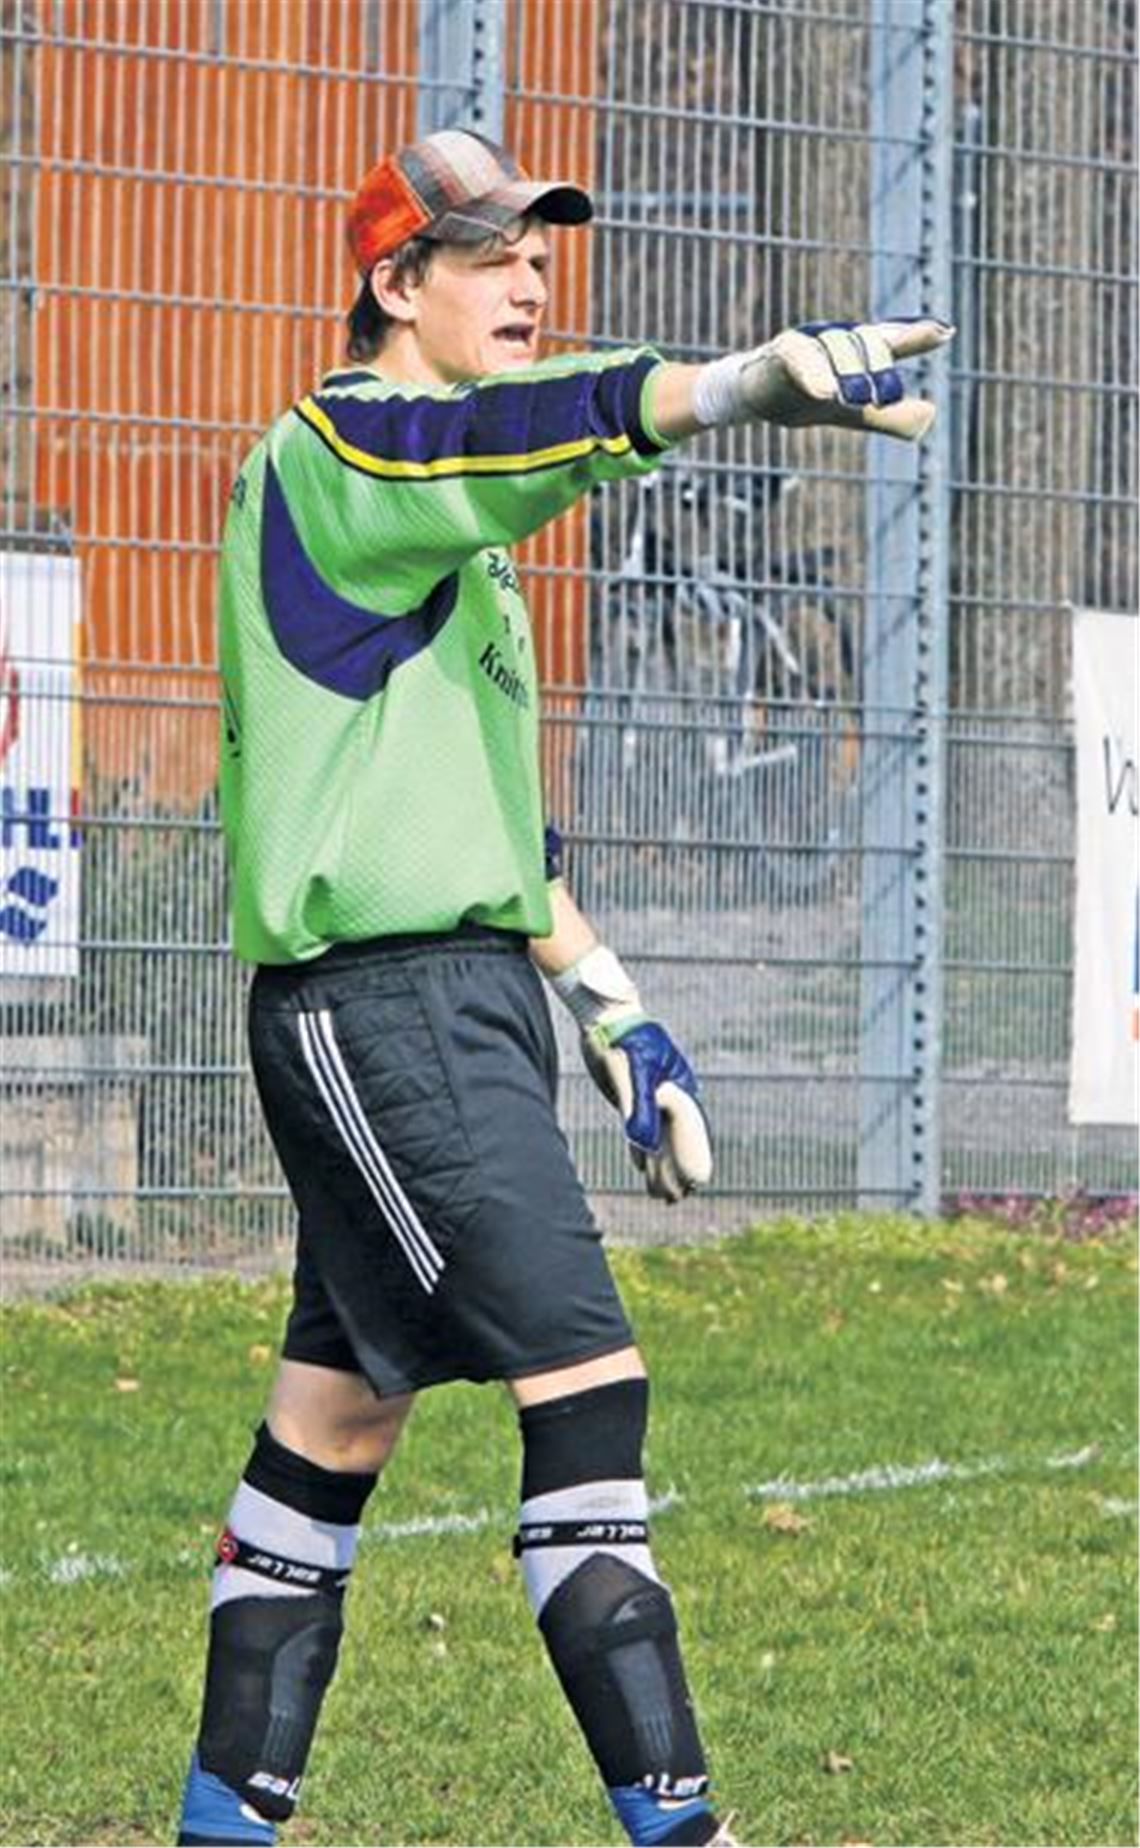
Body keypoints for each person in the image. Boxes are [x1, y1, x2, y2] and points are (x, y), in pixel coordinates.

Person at [176, 126, 952, 1848]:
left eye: (542, 248)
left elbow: (490, 837)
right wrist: (735, 386)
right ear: (394, 285)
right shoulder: (348, 452)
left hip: (445, 1005)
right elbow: (506, 439)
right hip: (384, 1012)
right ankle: (686, 1833)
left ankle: (218, 1829)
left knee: (337, 1430)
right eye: (486, 250)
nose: (531, 274)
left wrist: (615, 1007)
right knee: (589, 1392)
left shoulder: (444, 526)